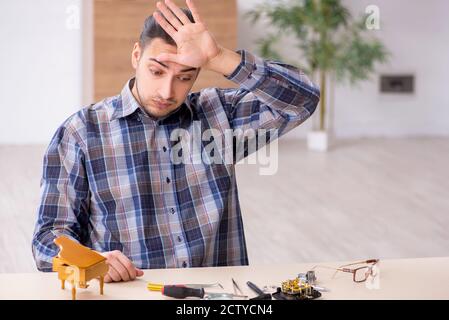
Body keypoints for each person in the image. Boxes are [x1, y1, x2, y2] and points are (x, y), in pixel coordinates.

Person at [32, 0, 320, 283]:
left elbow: (303, 99)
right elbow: (48, 239)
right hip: (133, 292)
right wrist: (94, 260)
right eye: (156, 71)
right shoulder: (80, 132)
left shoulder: (218, 114)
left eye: (184, 77)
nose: (167, 91)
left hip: (218, 297)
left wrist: (220, 58)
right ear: (136, 56)